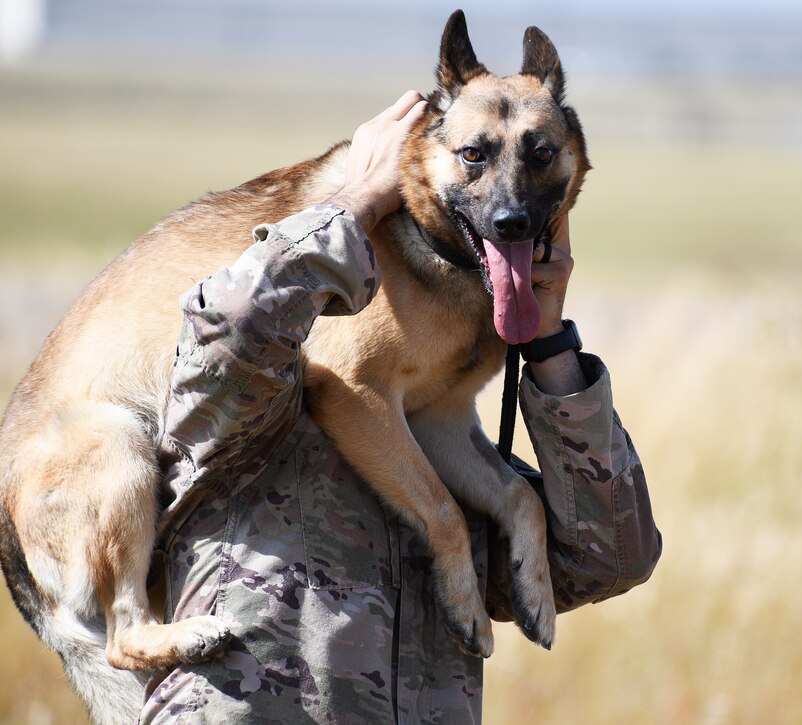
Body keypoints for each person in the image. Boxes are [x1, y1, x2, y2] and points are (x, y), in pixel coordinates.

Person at [139, 91, 661, 724]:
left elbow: (610, 558)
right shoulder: (232, 377)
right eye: (474, 158)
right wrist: (355, 204)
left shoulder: (442, 398)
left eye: (539, 158)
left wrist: (549, 342)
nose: (510, 199)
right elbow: (233, 333)